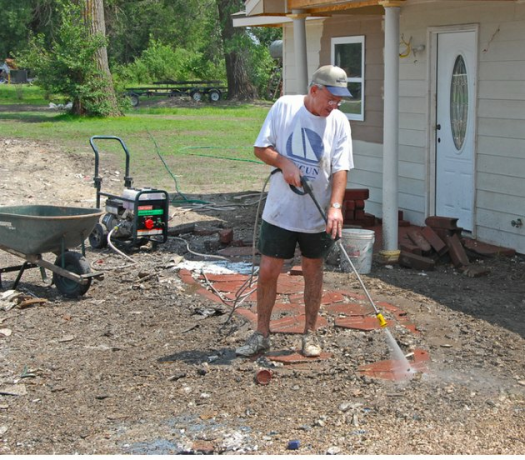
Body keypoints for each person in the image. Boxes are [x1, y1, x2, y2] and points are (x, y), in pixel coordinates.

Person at [236, 65, 354, 358]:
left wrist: (335, 207)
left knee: (313, 272)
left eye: (339, 101)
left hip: (316, 214)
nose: (334, 105)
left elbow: (341, 169)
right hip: (281, 211)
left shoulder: (339, 123)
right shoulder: (284, 107)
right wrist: (284, 163)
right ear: (314, 90)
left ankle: (310, 334)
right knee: (268, 270)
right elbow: (261, 148)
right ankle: (262, 333)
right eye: (330, 98)